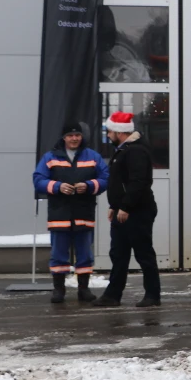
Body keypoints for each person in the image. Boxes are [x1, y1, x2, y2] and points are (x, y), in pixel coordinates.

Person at [32, 121, 108, 304]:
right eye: (70, 135)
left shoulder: (93, 157)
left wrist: (89, 186)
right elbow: (38, 179)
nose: (74, 139)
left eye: (77, 135)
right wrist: (57, 187)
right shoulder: (50, 157)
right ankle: (59, 290)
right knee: (58, 255)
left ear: (82, 137)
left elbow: (105, 178)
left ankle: (84, 290)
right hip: (60, 215)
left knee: (85, 255)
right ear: (64, 137)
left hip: (84, 213)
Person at [94, 111, 160, 307]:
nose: (107, 135)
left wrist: (125, 206)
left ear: (119, 132)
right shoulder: (124, 149)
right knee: (119, 254)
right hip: (123, 210)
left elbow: (139, 182)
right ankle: (112, 295)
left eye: (110, 131)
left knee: (143, 253)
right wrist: (114, 206)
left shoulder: (135, 151)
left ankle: (152, 295)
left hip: (137, 212)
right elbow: (120, 182)